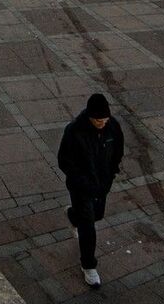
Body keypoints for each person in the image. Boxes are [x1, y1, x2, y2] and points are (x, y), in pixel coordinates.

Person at [57, 93, 123, 288]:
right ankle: (88, 266)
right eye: (98, 120)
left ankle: (72, 215)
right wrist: (81, 181)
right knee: (88, 226)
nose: (102, 123)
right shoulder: (75, 131)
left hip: (102, 185)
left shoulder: (113, 127)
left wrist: (112, 173)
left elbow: (117, 151)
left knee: (96, 216)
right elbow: (64, 161)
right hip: (81, 187)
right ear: (89, 117)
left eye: (104, 119)